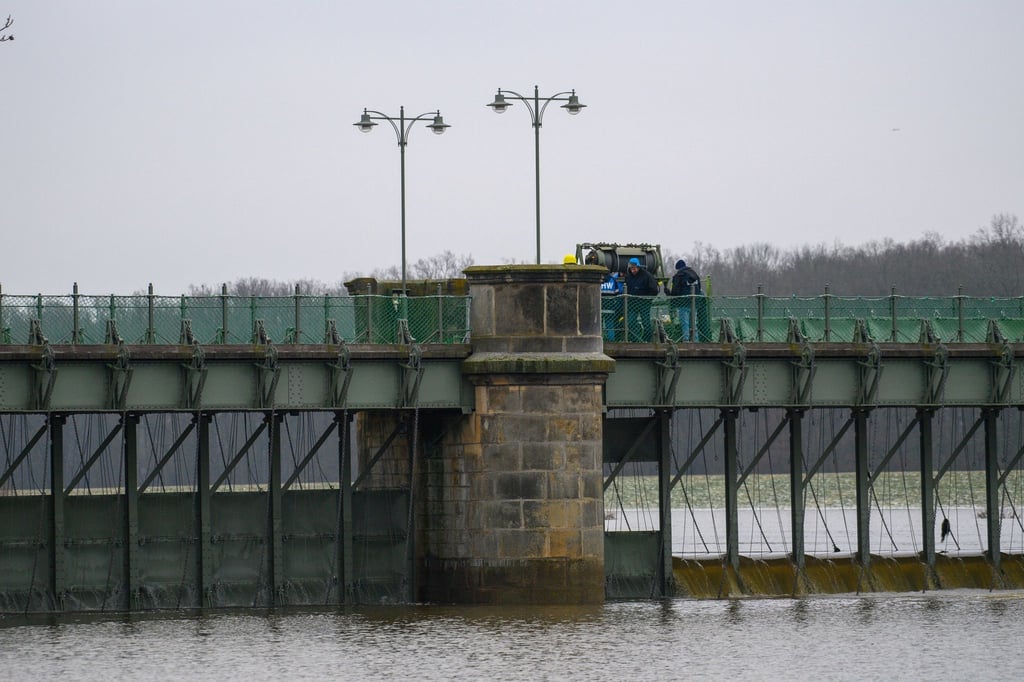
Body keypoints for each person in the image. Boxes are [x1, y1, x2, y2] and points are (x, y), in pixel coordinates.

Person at [623, 257, 658, 341]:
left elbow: (654, 290)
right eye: (631, 268)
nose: (633, 270)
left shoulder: (647, 276)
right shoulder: (628, 277)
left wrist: (647, 299)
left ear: (638, 267)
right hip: (632, 303)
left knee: (646, 322)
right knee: (630, 322)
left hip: (644, 303)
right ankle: (634, 339)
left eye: (634, 268)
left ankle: (647, 339)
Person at [669, 258, 702, 341]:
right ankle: (696, 340)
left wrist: (669, 294)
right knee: (693, 323)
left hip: (683, 303)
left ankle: (686, 340)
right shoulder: (694, 274)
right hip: (695, 302)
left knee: (685, 323)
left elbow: (675, 291)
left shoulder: (679, 275)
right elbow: (700, 288)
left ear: (678, 268)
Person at [599, 269, 623, 341]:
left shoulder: (597, 281)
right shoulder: (613, 280)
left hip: (598, 307)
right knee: (610, 326)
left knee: (597, 326)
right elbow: (616, 293)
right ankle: (611, 341)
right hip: (610, 307)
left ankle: (598, 340)